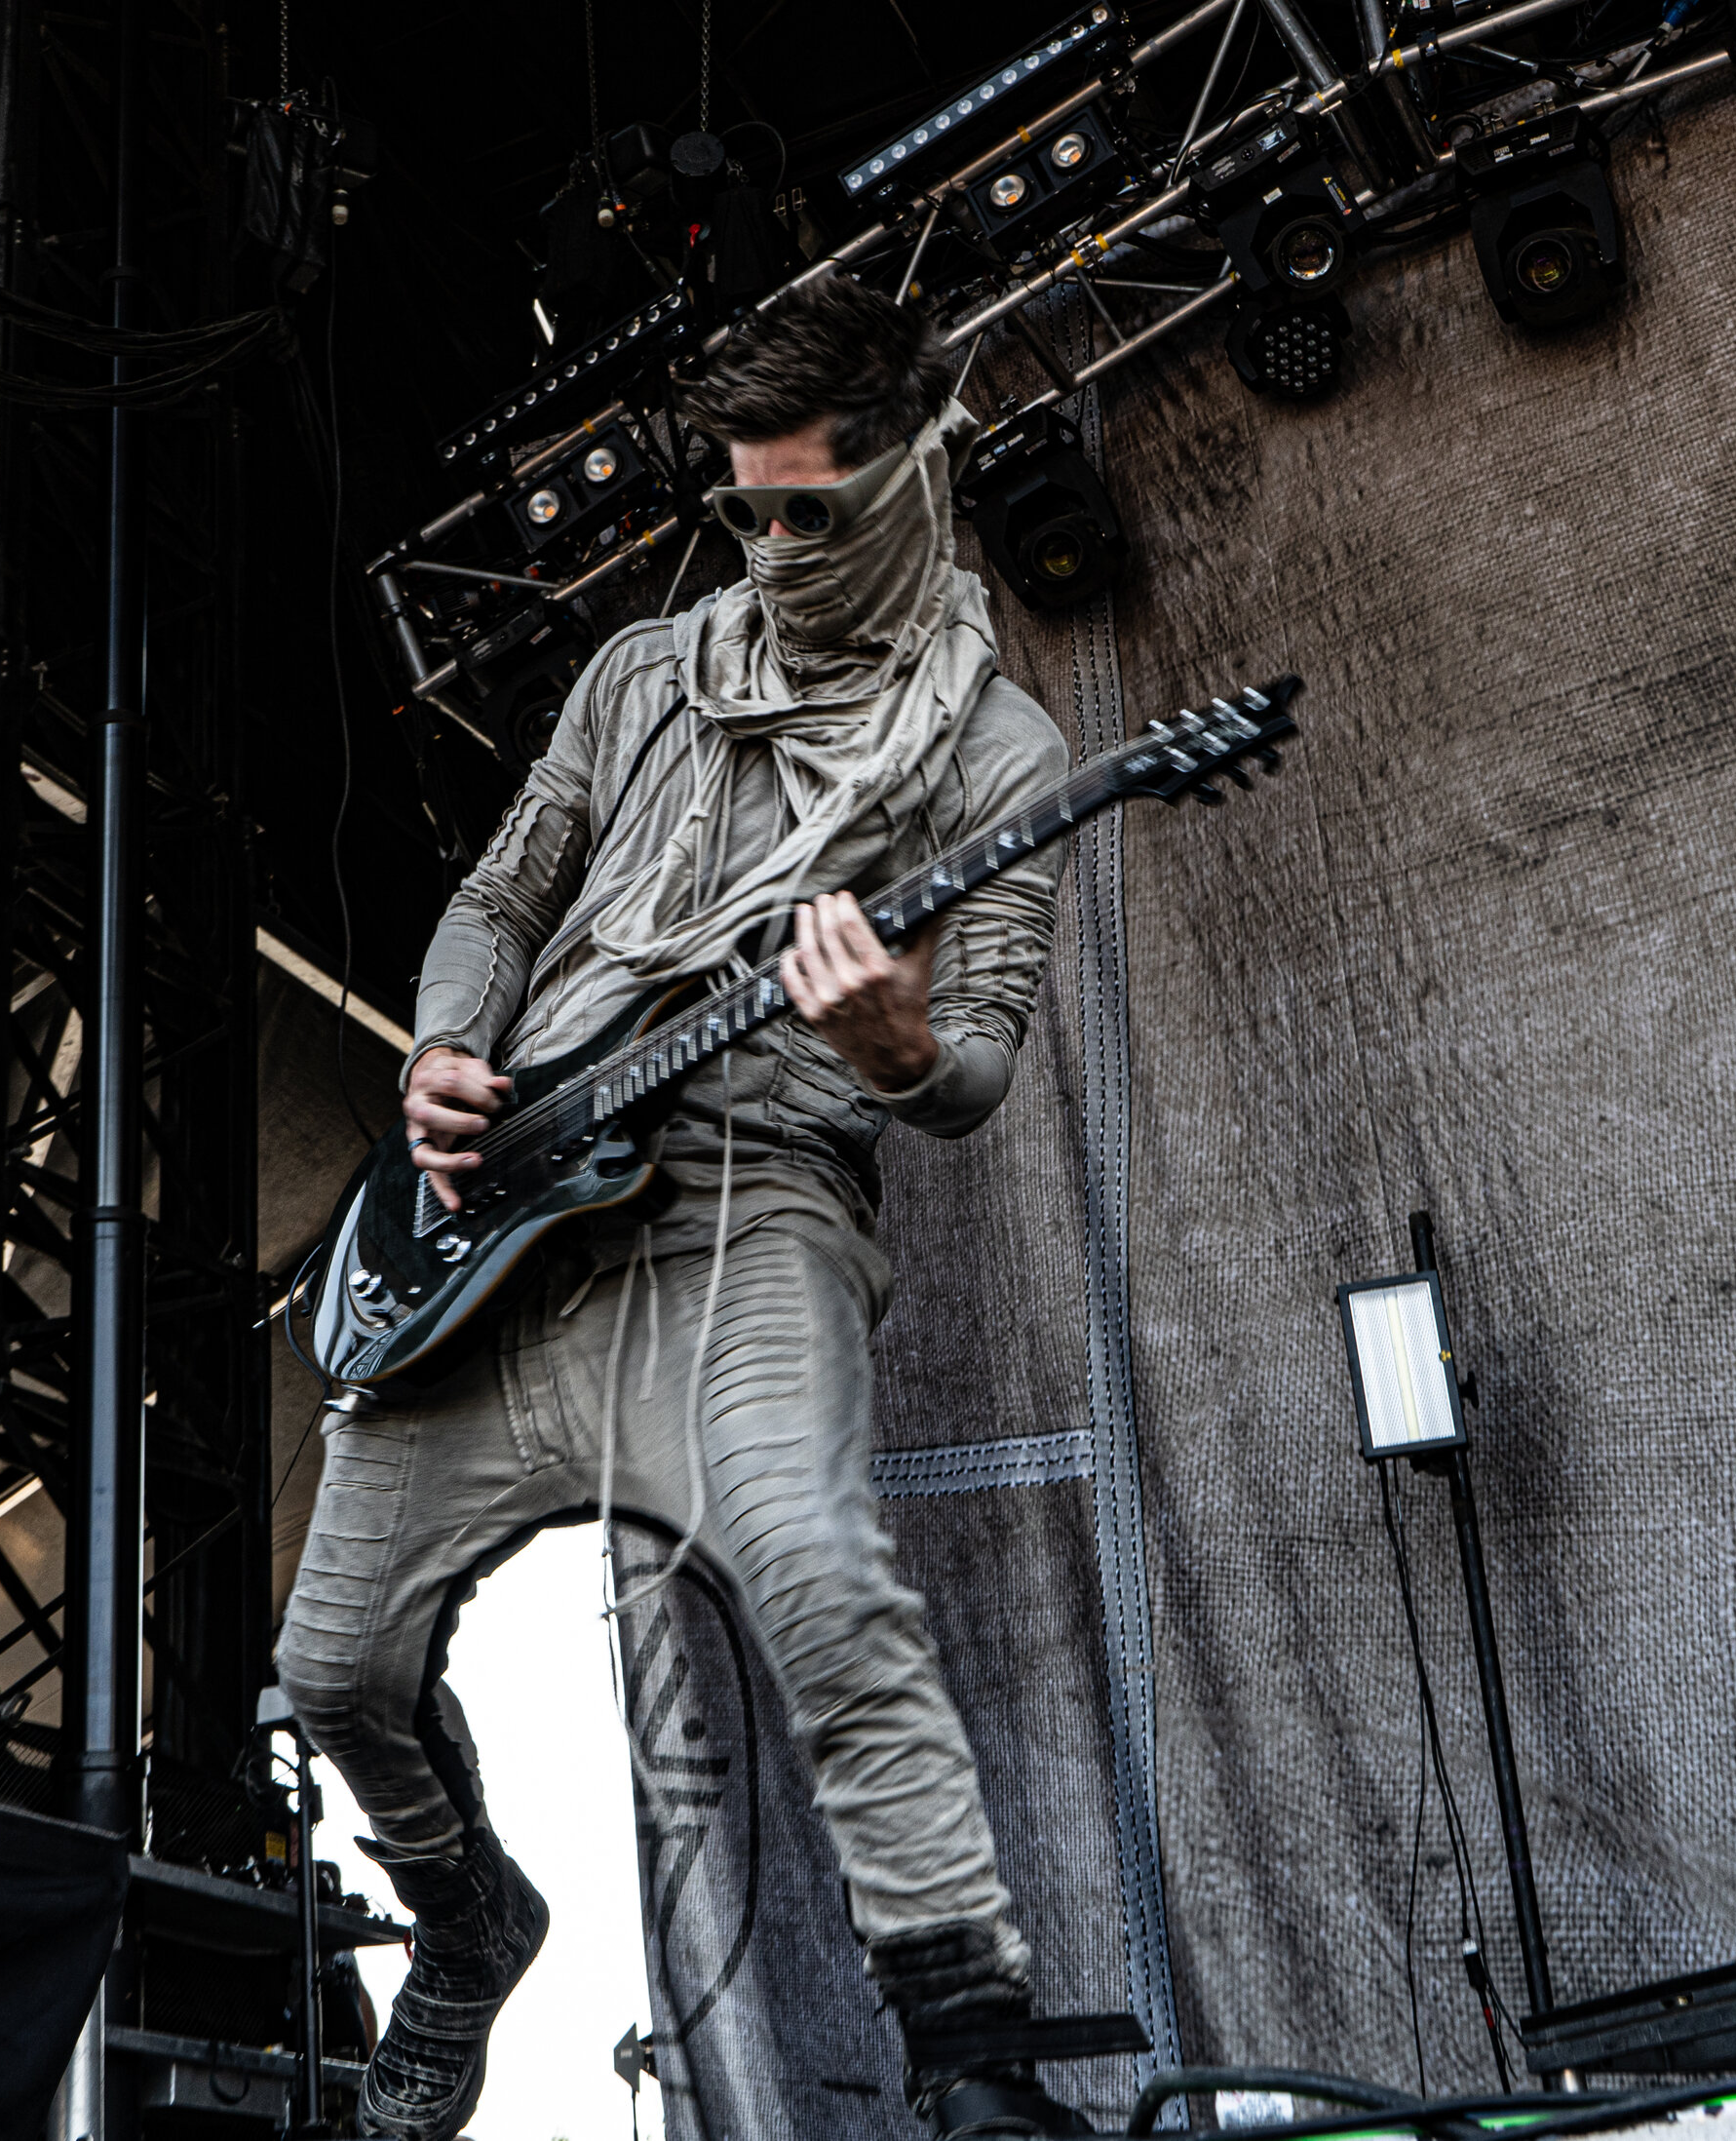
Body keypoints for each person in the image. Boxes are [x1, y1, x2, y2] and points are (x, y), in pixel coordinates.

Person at [277, 273, 1092, 2140]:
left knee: (814, 1572)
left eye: (818, 510)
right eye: (749, 512)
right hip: (501, 1219)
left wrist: (892, 1043)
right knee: (330, 1667)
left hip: (751, 1200)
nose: (779, 546)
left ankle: (971, 2063)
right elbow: (497, 896)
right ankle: (472, 1933)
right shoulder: (642, 676)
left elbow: (974, 1076)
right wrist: (446, 1046)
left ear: (912, 479)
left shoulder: (1003, 760)